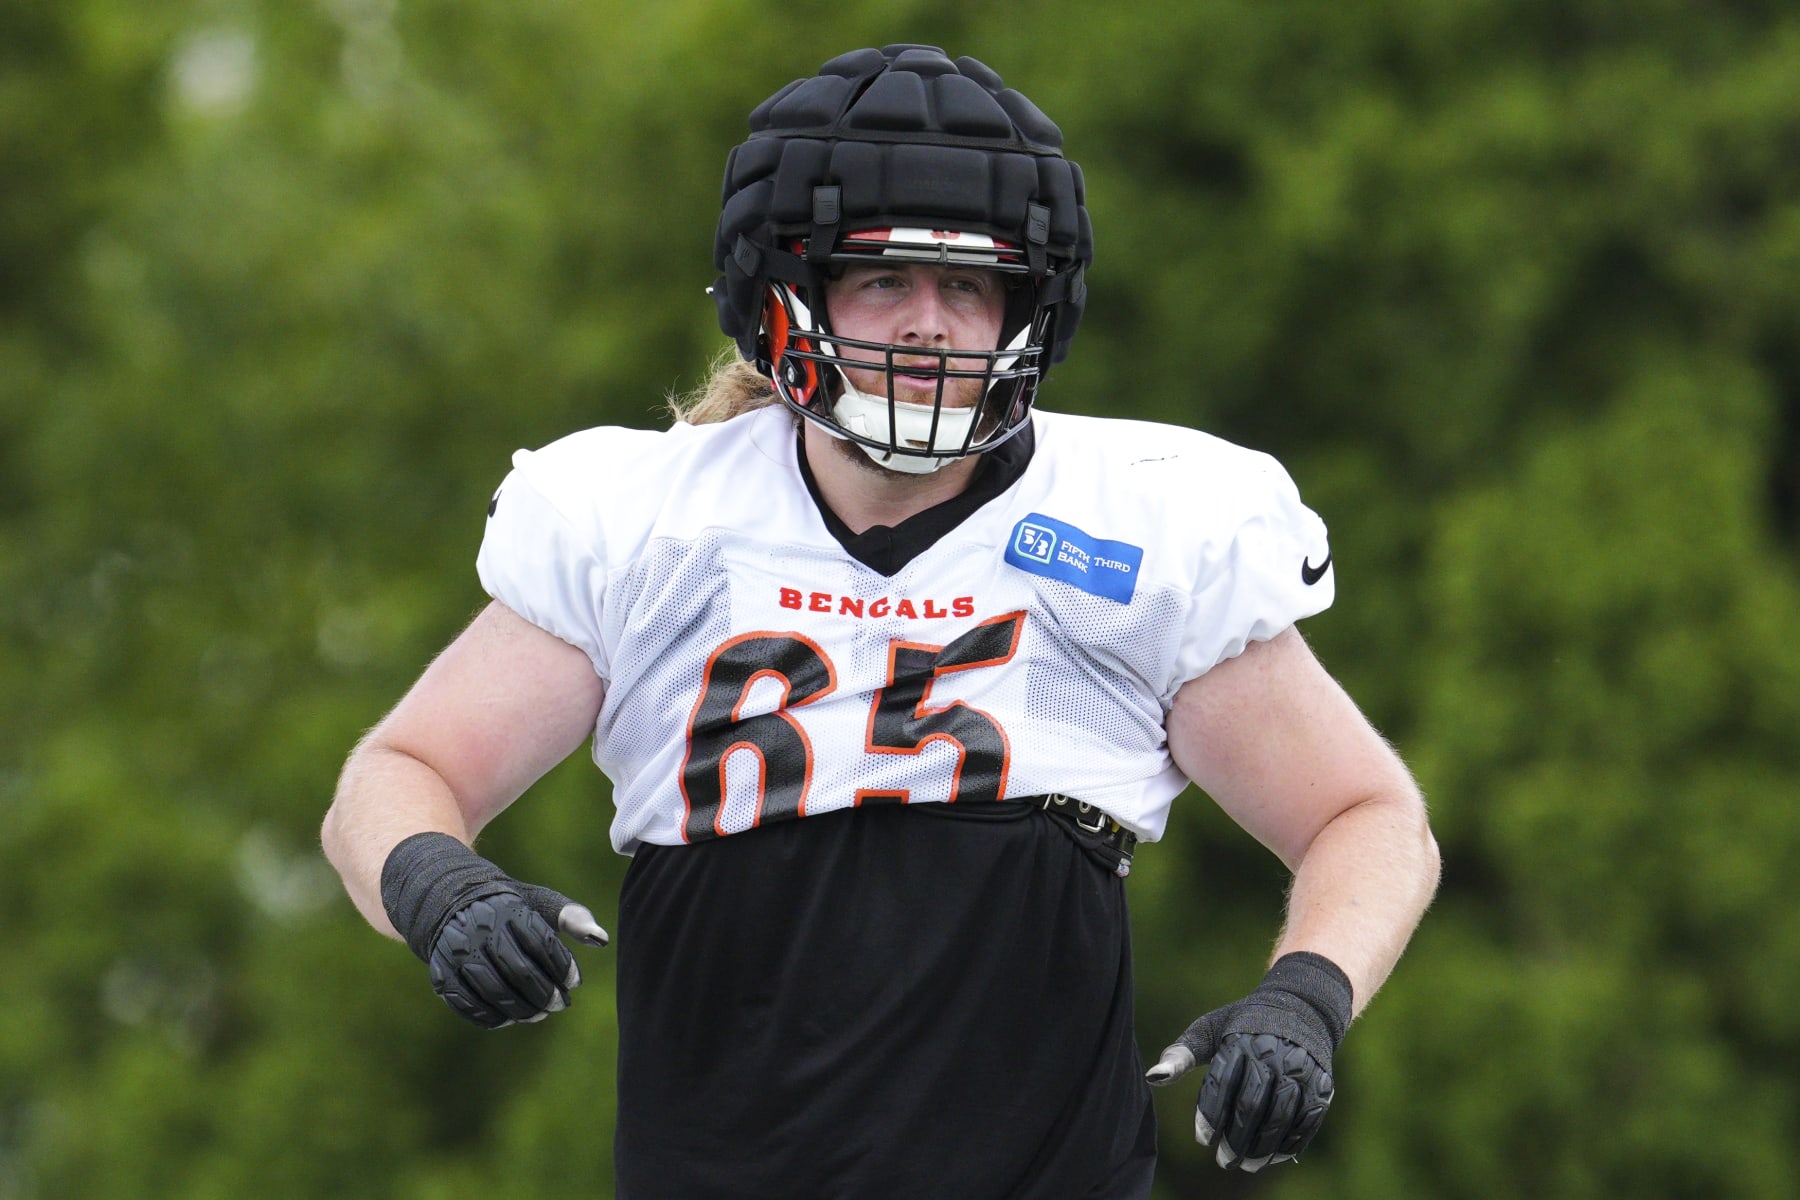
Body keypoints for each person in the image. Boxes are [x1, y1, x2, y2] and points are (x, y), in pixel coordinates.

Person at [321, 44, 1440, 1199]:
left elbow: (1367, 813)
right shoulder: (650, 527)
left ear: (1027, 304)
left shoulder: (1142, 532)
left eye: (969, 285)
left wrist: (1305, 995)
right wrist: (438, 887)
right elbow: (396, 772)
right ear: (785, 293)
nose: (931, 325)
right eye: (882, 281)